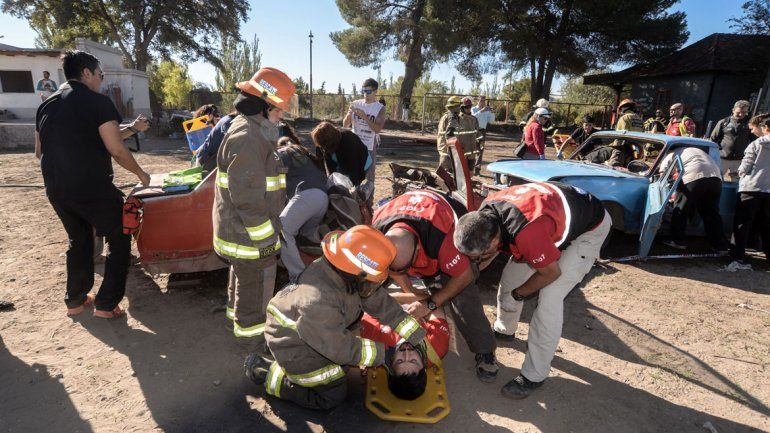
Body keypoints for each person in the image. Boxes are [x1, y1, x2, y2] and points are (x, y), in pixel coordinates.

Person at [454, 182, 610, 399]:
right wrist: (469, 275)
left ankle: (534, 375)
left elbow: (550, 273)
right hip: (551, 215)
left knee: (549, 297)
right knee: (510, 277)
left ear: (495, 240)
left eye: (482, 252)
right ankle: (505, 329)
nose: (478, 258)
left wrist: (520, 294)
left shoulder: (526, 234)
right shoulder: (484, 215)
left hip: (589, 228)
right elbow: (487, 256)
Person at [245, 225, 427, 410]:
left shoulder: (343, 270)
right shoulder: (318, 302)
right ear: (359, 272)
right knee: (333, 395)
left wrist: (416, 335)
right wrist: (383, 355)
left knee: (343, 367)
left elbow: (375, 298)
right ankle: (266, 372)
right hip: (293, 343)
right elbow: (337, 346)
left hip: (313, 329)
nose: (405, 354)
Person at [35, 50, 150, 318]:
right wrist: (142, 175)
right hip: (91, 188)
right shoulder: (97, 102)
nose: (101, 80)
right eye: (100, 74)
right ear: (87, 73)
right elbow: (117, 150)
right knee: (120, 236)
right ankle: (107, 304)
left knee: (79, 240)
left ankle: (75, 301)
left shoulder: (47, 104)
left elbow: (39, 151)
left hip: (56, 189)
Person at [373, 189, 499, 382]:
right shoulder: (378, 231)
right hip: (410, 221)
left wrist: (430, 304)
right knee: (372, 287)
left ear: (417, 249)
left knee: (462, 293)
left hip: (443, 220)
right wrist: (411, 292)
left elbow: (463, 277)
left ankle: (484, 349)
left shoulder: (442, 238)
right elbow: (395, 270)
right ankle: (429, 288)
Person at [213, 67, 295, 355]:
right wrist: (265, 240)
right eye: (279, 110)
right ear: (264, 105)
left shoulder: (252, 131)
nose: (281, 117)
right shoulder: (249, 137)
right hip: (250, 235)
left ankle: (236, 323)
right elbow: (247, 198)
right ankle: (252, 344)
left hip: (241, 231)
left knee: (242, 280)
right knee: (257, 287)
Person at [359, 293, 449, 400]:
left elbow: (371, 300)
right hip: (418, 298)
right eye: (413, 361)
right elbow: (436, 303)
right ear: (424, 369)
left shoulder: (374, 338)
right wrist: (423, 302)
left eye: (400, 361)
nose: (406, 352)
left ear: (391, 366)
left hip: (386, 297)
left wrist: (396, 297)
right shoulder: (437, 348)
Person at [276, 138, 328, 281]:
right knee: (306, 236)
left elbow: (277, 188)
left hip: (307, 196)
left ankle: (299, 276)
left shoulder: (280, 154)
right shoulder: (301, 153)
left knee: (282, 230)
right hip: (323, 197)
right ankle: (322, 267)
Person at [658, 147, 728, 251]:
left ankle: (678, 241)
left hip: (694, 176)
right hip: (716, 179)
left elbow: (662, 177)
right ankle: (720, 245)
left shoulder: (670, 155)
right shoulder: (694, 150)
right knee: (712, 213)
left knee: (680, 209)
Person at [730, 114, 770, 264]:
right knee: (766, 225)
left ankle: (737, 255)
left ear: (765, 127)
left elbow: (746, 165)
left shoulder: (757, 144)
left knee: (742, 222)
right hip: (768, 190)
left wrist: (740, 173)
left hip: (751, 187)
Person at [343, 78, 386, 186]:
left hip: (369, 145)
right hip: (354, 144)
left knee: (369, 176)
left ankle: (368, 201)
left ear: (375, 92)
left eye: (368, 91)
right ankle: (353, 198)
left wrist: (365, 117)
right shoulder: (356, 103)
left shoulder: (380, 108)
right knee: (352, 173)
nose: (365, 94)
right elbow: (345, 125)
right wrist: (349, 114)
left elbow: (377, 129)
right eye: (363, 91)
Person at [311, 121, 370, 186]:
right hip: (341, 159)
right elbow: (324, 166)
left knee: (356, 187)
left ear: (331, 140)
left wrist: (355, 188)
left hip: (361, 161)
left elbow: (355, 170)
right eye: (322, 146)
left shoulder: (348, 141)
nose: (323, 149)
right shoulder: (321, 141)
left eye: (325, 146)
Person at [711, 100, 755, 180]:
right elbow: (713, 139)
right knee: (716, 180)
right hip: (722, 158)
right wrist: (717, 152)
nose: (741, 114)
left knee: (736, 183)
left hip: (739, 160)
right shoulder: (723, 122)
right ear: (733, 110)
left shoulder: (750, 124)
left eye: (744, 112)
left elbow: (753, 141)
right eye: (738, 112)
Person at [605, 98, 644, 166]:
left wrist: (614, 147)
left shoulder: (624, 118)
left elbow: (621, 136)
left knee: (612, 168)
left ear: (623, 108)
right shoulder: (640, 120)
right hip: (637, 150)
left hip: (623, 149)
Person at [437, 96, 463, 172]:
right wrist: (454, 148)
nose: (460, 108)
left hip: (443, 147)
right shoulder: (452, 117)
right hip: (448, 149)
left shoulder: (446, 115)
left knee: (443, 170)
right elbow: (450, 133)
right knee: (445, 173)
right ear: (456, 106)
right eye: (459, 106)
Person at [472, 96, 495, 175]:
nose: (482, 102)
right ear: (477, 101)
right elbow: (473, 118)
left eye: (484, 101)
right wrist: (481, 111)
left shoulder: (487, 111)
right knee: (472, 149)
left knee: (480, 150)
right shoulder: (473, 109)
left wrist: (492, 112)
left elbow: (491, 120)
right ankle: (470, 168)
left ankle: (477, 170)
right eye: (481, 100)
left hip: (482, 132)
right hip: (473, 131)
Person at [459, 97, 481, 172]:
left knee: (470, 171)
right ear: (462, 108)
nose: (468, 109)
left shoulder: (474, 119)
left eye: (470, 107)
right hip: (461, 150)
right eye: (466, 107)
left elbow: (477, 133)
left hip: (472, 151)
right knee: (460, 172)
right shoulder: (457, 119)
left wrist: (478, 144)